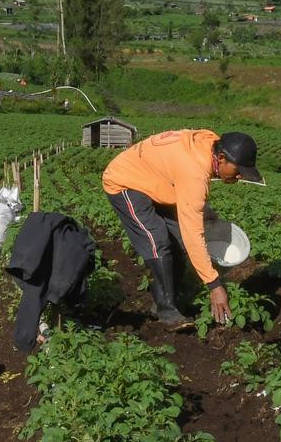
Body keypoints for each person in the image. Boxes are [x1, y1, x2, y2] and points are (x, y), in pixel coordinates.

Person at [102, 129, 262, 329]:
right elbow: (193, 233)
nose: (239, 177)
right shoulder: (194, 170)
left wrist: (204, 209)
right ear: (221, 158)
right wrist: (214, 285)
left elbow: (188, 185)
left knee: (177, 241)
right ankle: (167, 312)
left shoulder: (208, 144)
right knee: (158, 240)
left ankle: (165, 300)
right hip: (126, 181)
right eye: (238, 170)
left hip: (156, 181)